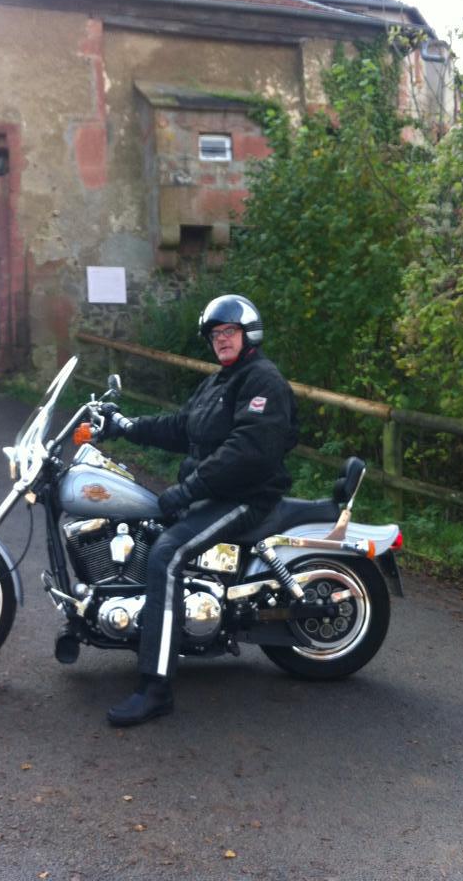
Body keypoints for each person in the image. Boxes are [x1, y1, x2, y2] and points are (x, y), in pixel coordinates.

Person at [103, 294, 299, 727]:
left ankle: (155, 689)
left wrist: (188, 490)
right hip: (215, 492)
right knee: (148, 534)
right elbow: (181, 426)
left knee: (167, 554)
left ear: (249, 334)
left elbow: (247, 452)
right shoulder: (219, 382)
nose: (221, 339)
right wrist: (126, 427)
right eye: (215, 334)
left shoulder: (263, 381)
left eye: (229, 331)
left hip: (245, 495)